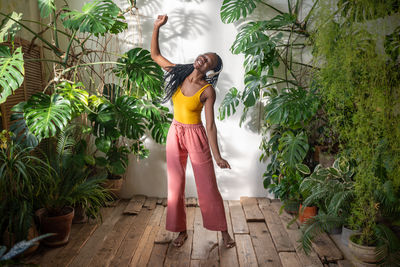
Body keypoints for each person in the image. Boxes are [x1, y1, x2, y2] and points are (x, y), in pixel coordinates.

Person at [151, 14, 236, 249]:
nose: (203, 59)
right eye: (204, 55)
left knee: (207, 185)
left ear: (212, 70)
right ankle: (181, 232)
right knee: (175, 185)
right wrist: (157, 26)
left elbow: (210, 125)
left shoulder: (207, 90)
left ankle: (224, 233)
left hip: (195, 135)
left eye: (208, 61)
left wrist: (217, 156)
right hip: (175, 132)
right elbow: (155, 56)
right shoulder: (179, 73)